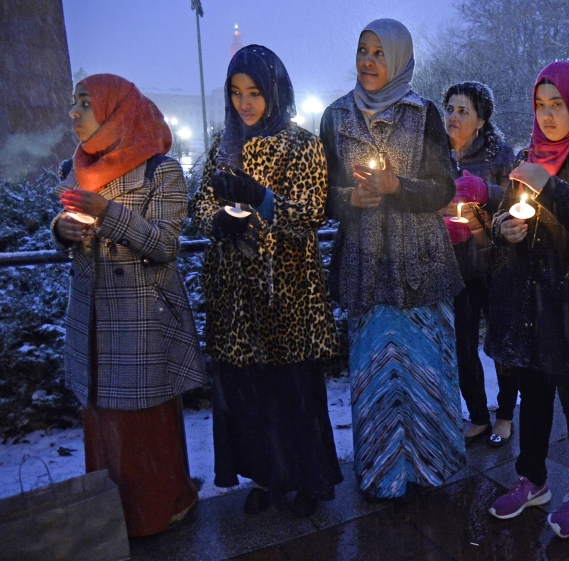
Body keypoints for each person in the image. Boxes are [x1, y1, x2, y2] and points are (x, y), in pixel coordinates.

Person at [191, 45, 342, 518]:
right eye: (236, 93)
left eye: (255, 92)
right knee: (249, 395)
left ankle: (306, 480)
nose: (245, 103)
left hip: (287, 291)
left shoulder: (302, 144)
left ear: (275, 92)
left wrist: (264, 201)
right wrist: (218, 219)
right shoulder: (223, 144)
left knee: (292, 393)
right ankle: (264, 476)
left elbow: (312, 214)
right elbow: (198, 205)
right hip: (235, 295)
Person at [54, 73, 207, 537]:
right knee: (103, 420)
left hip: (141, 321)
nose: (74, 112)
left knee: (145, 424)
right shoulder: (73, 169)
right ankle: (111, 516)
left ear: (116, 112)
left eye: (86, 103)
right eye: (74, 102)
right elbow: (61, 222)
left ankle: (161, 508)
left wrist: (108, 214)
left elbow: (163, 244)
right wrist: (63, 230)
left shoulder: (161, 170)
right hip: (94, 321)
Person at [320, 19, 465, 500]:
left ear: (399, 59)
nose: (367, 60)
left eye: (380, 53)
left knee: (425, 370)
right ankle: (382, 470)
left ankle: (432, 466)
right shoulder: (336, 117)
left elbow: (444, 186)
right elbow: (324, 197)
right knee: (374, 373)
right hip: (365, 264)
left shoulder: (423, 113)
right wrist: (349, 199)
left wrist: (395, 187)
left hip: (419, 260)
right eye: (363, 50)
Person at [485, 60, 569, 538]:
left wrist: (551, 187)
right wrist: (504, 230)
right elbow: (503, 213)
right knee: (532, 399)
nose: (547, 115)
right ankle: (531, 478)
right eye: (540, 105)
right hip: (526, 306)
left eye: (557, 104)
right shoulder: (527, 155)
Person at [440, 81, 519, 448]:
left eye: (463, 111)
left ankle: (504, 415)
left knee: (501, 340)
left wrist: (487, 194)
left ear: (482, 119)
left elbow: (519, 203)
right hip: (455, 263)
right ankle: (477, 415)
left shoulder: (500, 157)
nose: (453, 117)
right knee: (463, 342)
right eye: (450, 110)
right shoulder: (436, 157)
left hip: (496, 262)